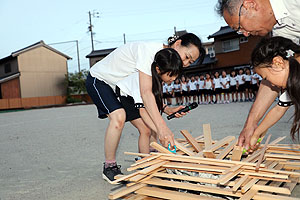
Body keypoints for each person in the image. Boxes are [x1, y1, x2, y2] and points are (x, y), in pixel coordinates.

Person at [85, 33, 205, 183]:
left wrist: (167, 109)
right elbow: (145, 93)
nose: (186, 63)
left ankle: (147, 156)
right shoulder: (149, 52)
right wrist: (162, 129)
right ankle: (109, 166)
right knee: (119, 117)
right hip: (99, 80)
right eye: (187, 57)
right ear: (177, 44)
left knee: (146, 128)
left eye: (190, 62)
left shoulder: (163, 61)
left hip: (121, 87)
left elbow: (149, 93)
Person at [215, 0, 300, 151]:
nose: (245, 34)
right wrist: (252, 128)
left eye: (240, 28)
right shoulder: (281, 36)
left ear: (249, 4)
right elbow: (279, 105)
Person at [116, 48, 183, 155]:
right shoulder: (142, 81)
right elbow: (142, 111)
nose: (174, 78)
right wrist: (161, 131)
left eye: (176, 75)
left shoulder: (157, 78)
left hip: (138, 97)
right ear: (158, 69)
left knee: (155, 119)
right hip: (126, 95)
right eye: (171, 75)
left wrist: (166, 110)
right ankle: (144, 159)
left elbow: (153, 104)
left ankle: (152, 150)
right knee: (145, 130)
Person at [246, 36, 300, 151]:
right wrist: (256, 134)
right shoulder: (293, 80)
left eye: (266, 78)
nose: (271, 84)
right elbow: (279, 109)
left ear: (278, 63)